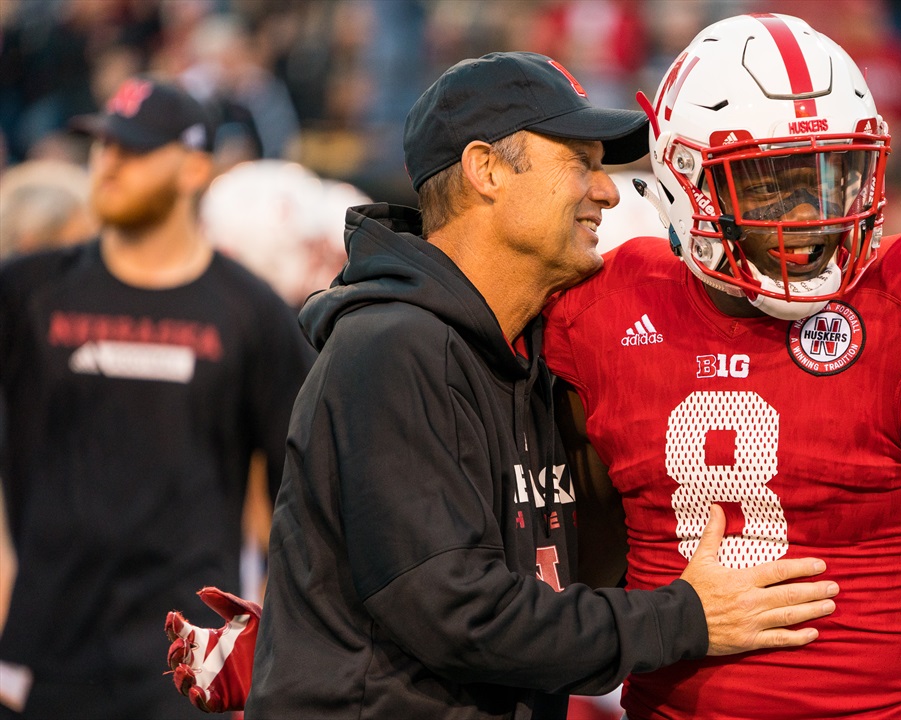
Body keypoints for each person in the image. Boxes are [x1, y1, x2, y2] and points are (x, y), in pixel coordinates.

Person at [167, 51, 840, 720]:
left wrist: (300, 634)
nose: (607, 191)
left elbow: (540, 582)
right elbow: (462, 614)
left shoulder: (527, 353)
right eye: (580, 162)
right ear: (486, 169)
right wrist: (683, 618)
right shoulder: (393, 348)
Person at [543, 13, 901, 718]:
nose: (811, 214)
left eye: (833, 175)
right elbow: (584, 615)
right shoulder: (607, 311)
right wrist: (675, 618)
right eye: (770, 182)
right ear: (685, 180)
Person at [0, 76, 314, 718]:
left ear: (194, 168)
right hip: (42, 655)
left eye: (134, 149)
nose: (109, 164)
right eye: (103, 145)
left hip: (184, 665)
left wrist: (275, 634)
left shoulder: (250, 312)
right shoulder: (28, 291)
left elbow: (304, 491)